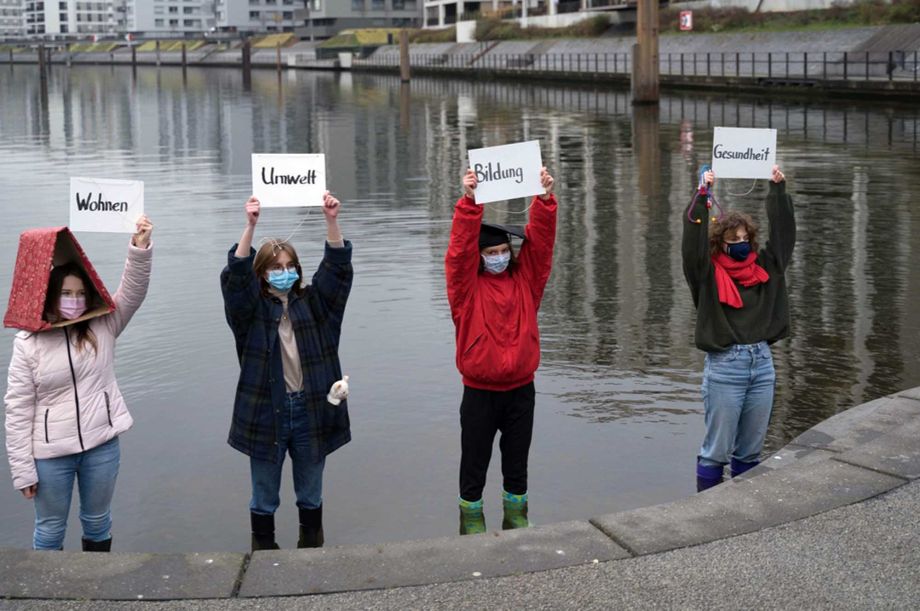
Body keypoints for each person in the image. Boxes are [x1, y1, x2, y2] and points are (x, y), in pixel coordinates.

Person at [4, 217, 154, 551]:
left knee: (98, 523)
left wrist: (140, 246)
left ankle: (97, 592)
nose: (74, 299)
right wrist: (22, 471)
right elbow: (17, 410)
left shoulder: (104, 326)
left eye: (81, 293)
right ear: (51, 297)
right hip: (50, 455)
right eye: (67, 293)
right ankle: (48, 599)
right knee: (49, 530)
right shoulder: (28, 342)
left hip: (101, 446)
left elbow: (133, 290)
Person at [221, 193, 352, 551]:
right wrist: (250, 226)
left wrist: (331, 220)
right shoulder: (251, 313)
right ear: (261, 274)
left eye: (289, 265)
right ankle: (264, 563)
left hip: (312, 410)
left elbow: (338, 271)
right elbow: (236, 280)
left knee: (311, 495)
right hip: (266, 413)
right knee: (263, 497)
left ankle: (310, 556)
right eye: (275, 267)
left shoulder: (315, 305)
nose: (284, 272)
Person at [445, 167, 557, 534]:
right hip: (479, 392)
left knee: (517, 464)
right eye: (490, 252)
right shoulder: (465, 292)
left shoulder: (527, 282)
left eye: (503, 251)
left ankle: (516, 518)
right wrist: (469, 202)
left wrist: (543, 201)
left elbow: (540, 248)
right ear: (480, 257)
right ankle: (471, 522)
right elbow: (458, 253)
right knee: (474, 464)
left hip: (521, 390)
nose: (498, 256)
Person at [682, 165, 795, 492]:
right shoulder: (706, 275)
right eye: (734, 241)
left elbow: (785, 235)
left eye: (746, 239)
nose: (742, 244)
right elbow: (691, 248)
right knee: (716, 452)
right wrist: (702, 197)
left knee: (750, 451)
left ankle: (741, 519)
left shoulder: (766, 268)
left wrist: (778, 191)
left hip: (762, 365)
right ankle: (707, 513)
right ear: (721, 244)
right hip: (725, 367)